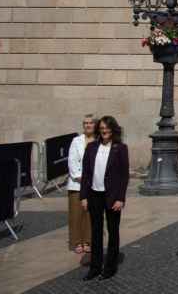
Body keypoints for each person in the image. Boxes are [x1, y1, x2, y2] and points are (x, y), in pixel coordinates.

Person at [78, 116, 129, 281]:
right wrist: (83, 196)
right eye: (101, 128)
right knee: (96, 232)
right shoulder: (92, 147)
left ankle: (110, 268)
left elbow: (123, 176)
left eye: (107, 128)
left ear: (113, 129)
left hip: (112, 196)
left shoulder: (120, 148)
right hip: (94, 195)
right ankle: (95, 267)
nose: (104, 130)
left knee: (113, 232)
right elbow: (86, 173)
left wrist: (120, 199)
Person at [67, 114, 95, 257]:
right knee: (76, 214)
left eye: (90, 123)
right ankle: (77, 242)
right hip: (77, 184)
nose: (87, 125)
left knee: (90, 214)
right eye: (85, 123)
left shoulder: (99, 141)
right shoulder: (76, 141)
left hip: (94, 184)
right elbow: (72, 161)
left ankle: (88, 241)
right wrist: (80, 177)